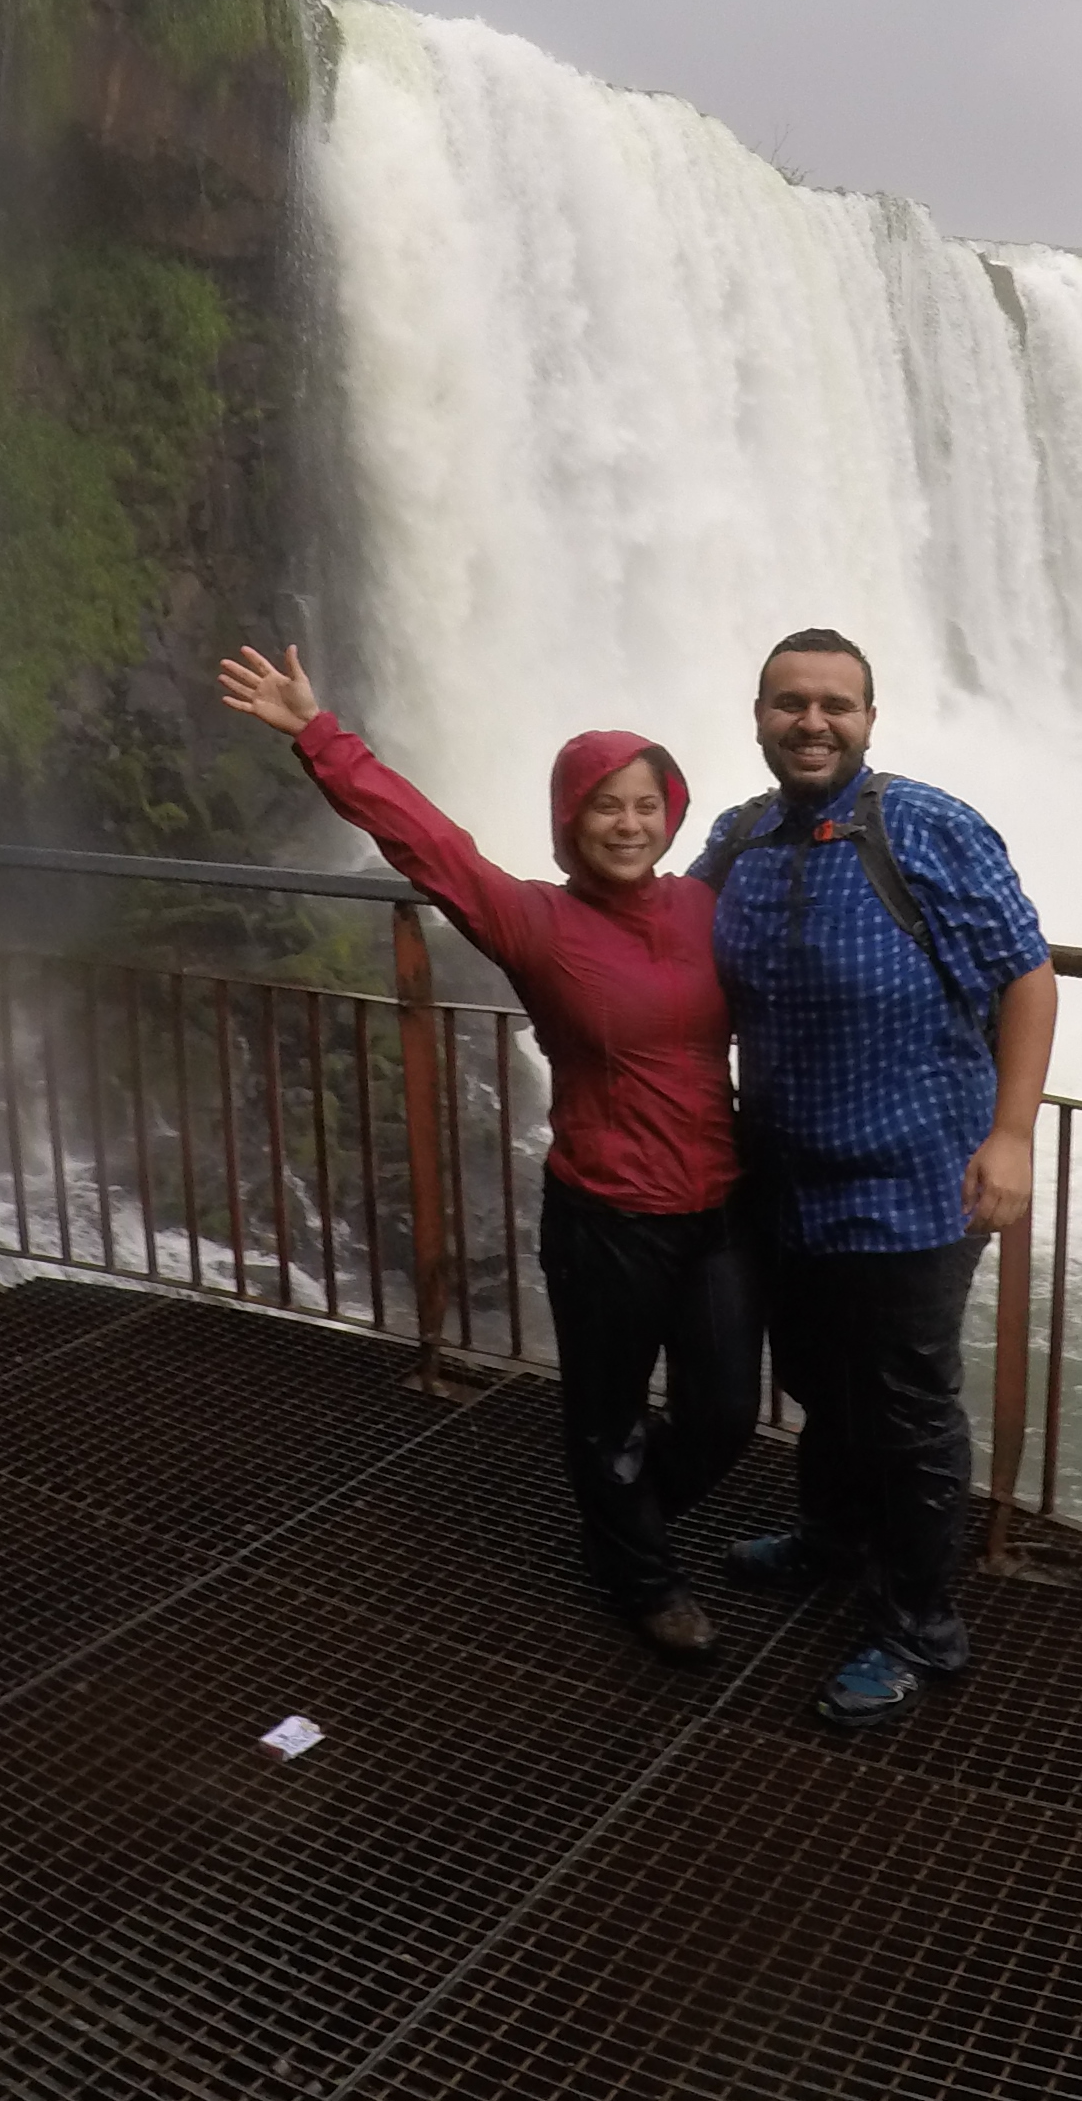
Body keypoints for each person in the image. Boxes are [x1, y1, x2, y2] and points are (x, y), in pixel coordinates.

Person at [219, 641, 754, 1663]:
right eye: (606, 806)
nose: (629, 824)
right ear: (571, 821)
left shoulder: (704, 906)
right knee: (605, 1415)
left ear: (672, 815)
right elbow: (429, 845)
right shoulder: (536, 921)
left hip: (719, 1206)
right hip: (607, 1212)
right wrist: (318, 735)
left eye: (646, 805)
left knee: (726, 1411)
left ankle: (623, 1524)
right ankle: (643, 1578)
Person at [697, 628, 1056, 1728]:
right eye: (789, 703)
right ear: (759, 717)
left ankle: (917, 1626)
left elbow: (1028, 979)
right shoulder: (739, 839)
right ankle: (832, 1538)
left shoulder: (928, 827)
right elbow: (655, 946)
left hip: (916, 1182)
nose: (812, 723)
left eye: (835, 705)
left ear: (867, 720)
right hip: (787, 1179)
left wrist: (1012, 1135)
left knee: (905, 1406)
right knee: (818, 1378)